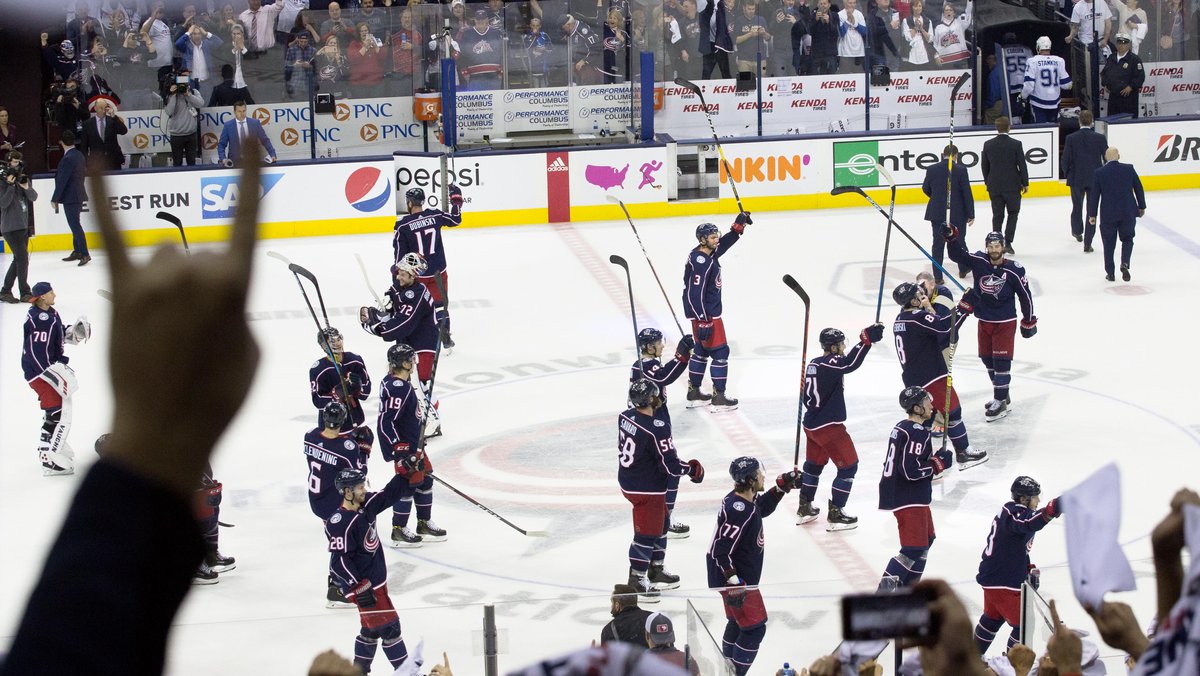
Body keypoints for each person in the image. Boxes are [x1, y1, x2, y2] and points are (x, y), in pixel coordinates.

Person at [0, 141, 264, 675]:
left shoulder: (53, 320)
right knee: (63, 411)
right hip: (52, 382)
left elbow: (69, 641)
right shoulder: (36, 320)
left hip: (125, 479)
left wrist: (143, 452)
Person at [706, 456, 801, 675]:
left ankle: (726, 668)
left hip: (730, 576)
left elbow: (760, 509)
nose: (762, 475)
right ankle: (734, 673)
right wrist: (734, 583)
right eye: (759, 473)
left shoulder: (743, 502)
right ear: (750, 480)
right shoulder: (739, 510)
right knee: (754, 629)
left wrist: (782, 485)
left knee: (737, 622)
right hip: (734, 578)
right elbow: (721, 550)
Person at [325, 467, 419, 674]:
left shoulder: (365, 504)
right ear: (347, 492)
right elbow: (338, 562)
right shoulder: (340, 523)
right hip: (366, 588)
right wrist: (357, 587)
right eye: (359, 487)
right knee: (390, 628)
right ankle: (408, 672)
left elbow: (388, 495)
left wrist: (405, 474)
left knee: (370, 630)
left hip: (375, 582)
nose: (364, 490)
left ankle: (358, 672)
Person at [619, 379, 704, 599]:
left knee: (662, 522)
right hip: (647, 488)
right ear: (649, 399)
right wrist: (692, 470)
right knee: (646, 534)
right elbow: (671, 466)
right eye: (655, 395)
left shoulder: (625, 417)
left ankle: (656, 569)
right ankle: (637, 578)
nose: (660, 398)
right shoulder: (657, 428)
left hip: (629, 480)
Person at [795, 323, 884, 531]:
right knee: (848, 467)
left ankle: (805, 506)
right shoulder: (830, 362)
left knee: (814, 466)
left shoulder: (814, 364)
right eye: (841, 345)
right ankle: (836, 513)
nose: (843, 348)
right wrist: (865, 340)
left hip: (812, 425)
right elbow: (849, 364)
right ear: (832, 348)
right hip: (829, 427)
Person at [891, 281, 987, 466]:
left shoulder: (901, 319)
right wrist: (964, 306)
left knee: (926, 419)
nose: (921, 293)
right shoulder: (917, 317)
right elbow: (945, 328)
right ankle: (963, 452)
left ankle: (921, 459)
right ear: (913, 300)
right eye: (917, 293)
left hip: (915, 376)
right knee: (953, 411)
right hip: (931, 375)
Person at [945, 227, 1036, 421]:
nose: (994, 249)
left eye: (997, 246)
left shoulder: (1014, 269)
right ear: (986, 247)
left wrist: (1028, 320)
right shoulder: (979, 261)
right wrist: (952, 239)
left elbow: (1025, 296)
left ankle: (1000, 400)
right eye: (990, 246)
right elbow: (957, 256)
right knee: (987, 358)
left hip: (1005, 321)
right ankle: (1001, 394)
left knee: (1001, 361)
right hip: (984, 319)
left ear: (1003, 247)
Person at [973, 476, 1063, 656]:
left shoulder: (1012, 512)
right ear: (1023, 499)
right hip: (1004, 582)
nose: (1038, 501)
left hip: (994, 579)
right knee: (1023, 625)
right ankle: (1012, 667)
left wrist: (1026, 568)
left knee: (991, 619)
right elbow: (1031, 522)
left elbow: (1011, 546)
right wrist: (1054, 508)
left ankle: (971, 660)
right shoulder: (1015, 511)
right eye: (1035, 497)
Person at [876, 387, 952, 592]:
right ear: (917, 408)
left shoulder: (903, 427)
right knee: (913, 549)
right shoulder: (916, 432)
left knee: (926, 540)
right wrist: (938, 463)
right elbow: (910, 471)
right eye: (927, 402)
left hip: (908, 496)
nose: (931, 405)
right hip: (909, 497)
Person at [361, 253, 443, 438]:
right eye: (399, 273)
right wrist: (379, 311)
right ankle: (419, 416)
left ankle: (431, 422)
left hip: (423, 345)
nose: (399, 276)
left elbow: (402, 324)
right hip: (409, 344)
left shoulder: (417, 294)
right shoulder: (401, 286)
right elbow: (391, 307)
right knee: (409, 382)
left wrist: (377, 327)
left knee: (420, 383)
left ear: (414, 275)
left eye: (403, 274)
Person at [377, 342, 446, 547]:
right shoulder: (398, 388)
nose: (413, 362)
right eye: (410, 359)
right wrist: (399, 448)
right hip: (405, 447)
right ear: (402, 363)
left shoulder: (399, 383)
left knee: (425, 480)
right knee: (407, 485)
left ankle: (423, 522)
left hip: (414, 443)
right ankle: (398, 528)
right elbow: (385, 422)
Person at [629, 328, 696, 537]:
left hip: (653, 416)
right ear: (649, 346)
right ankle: (665, 519)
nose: (662, 345)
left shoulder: (646, 363)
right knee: (670, 469)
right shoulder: (644, 365)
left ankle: (664, 517)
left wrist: (681, 357)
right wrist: (681, 357)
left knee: (667, 469)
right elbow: (663, 377)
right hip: (650, 421)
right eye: (659, 342)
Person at [682, 213, 751, 410]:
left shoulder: (705, 253)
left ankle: (694, 392)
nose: (716, 239)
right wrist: (704, 319)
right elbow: (695, 294)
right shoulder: (702, 263)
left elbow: (723, 245)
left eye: (716, 235)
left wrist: (737, 229)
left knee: (701, 351)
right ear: (703, 240)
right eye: (712, 237)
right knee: (720, 353)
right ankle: (719, 397)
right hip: (707, 315)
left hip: (702, 314)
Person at [305, 400, 370, 607]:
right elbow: (358, 475)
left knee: (338, 539)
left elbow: (329, 446)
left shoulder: (310, 436)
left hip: (316, 498)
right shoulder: (346, 448)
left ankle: (338, 583)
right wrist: (364, 448)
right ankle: (337, 587)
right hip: (333, 502)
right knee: (341, 544)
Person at [22, 281, 89, 475]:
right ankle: (49, 459)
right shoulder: (42, 319)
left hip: (43, 371)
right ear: (43, 296)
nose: (55, 295)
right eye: (51, 292)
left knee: (55, 410)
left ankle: (48, 447)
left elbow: (55, 335)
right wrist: (49, 374)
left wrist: (72, 331)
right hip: (40, 373)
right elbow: (36, 351)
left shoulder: (49, 314)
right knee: (57, 412)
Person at [392, 186, 464, 349]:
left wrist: (396, 274)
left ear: (409, 203)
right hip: (439, 271)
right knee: (440, 304)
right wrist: (456, 200)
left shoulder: (403, 226)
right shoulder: (435, 215)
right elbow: (455, 219)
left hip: (418, 274)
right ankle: (445, 336)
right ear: (423, 201)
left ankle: (418, 337)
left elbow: (400, 258)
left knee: (418, 306)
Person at [1087, 146, 1146, 283]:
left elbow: (1094, 196)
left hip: (1108, 214)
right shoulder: (1129, 169)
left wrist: (1092, 215)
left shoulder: (1099, 173)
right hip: (1127, 212)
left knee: (1108, 244)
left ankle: (1110, 273)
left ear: (1106, 158)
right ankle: (1125, 263)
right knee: (1127, 239)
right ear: (1119, 156)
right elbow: (1139, 188)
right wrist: (1141, 206)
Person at [920, 144, 974, 284]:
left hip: (937, 212)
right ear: (956, 155)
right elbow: (966, 192)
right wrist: (970, 213)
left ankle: (938, 277)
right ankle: (963, 268)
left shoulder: (932, 169)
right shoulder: (961, 170)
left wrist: (937, 198)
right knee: (959, 241)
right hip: (957, 213)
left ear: (942, 154)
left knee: (938, 244)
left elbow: (926, 188)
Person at [981, 116, 1028, 254]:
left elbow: (984, 166)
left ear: (996, 128)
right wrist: (1025, 183)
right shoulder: (1016, 144)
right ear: (1009, 127)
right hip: (1013, 186)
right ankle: (1008, 242)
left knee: (997, 215)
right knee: (1013, 213)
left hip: (995, 186)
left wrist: (988, 181)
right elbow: (1022, 165)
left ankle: (996, 241)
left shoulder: (988, 144)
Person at [310, 326, 372, 431]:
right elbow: (317, 400)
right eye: (332, 341)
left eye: (338, 339)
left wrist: (358, 387)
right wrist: (337, 395)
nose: (337, 343)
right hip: (330, 426)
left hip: (355, 421)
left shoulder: (355, 360)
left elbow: (365, 394)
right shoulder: (319, 369)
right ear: (323, 345)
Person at [1062, 110, 1107, 247]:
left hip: (1076, 178)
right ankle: (1088, 240)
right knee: (1091, 209)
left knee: (1077, 205)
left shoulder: (1071, 138)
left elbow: (1065, 160)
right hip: (1095, 178)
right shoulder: (1099, 138)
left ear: (1079, 121)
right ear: (1092, 121)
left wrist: (1067, 174)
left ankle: (1077, 231)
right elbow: (1107, 157)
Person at [1, 153, 36, 303]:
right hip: (10, 227)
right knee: (22, 259)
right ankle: (25, 292)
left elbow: (33, 197)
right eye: (14, 162)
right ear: (8, 162)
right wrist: (9, 185)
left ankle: (5, 291)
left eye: (18, 162)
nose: (16, 164)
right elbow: (3, 204)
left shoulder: (23, 179)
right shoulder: (2, 182)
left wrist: (26, 188)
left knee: (19, 259)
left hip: (22, 226)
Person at [51, 130, 91, 266]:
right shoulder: (79, 155)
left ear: (61, 142)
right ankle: (78, 250)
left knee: (75, 225)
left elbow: (62, 180)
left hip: (71, 196)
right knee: (74, 224)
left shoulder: (68, 158)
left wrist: (55, 198)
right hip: (77, 194)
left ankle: (84, 253)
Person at [1019, 36, 1072, 123]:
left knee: (1040, 131)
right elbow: (1067, 85)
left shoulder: (1032, 61)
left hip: (1038, 103)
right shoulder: (1059, 60)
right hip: (1055, 102)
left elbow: (1029, 86)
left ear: (1038, 47)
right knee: (1053, 130)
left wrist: (1022, 97)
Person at [163, 67, 204, 167]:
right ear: (178, 78)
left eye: (187, 77)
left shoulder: (193, 92)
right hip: (176, 135)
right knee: (177, 163)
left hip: (191, 134)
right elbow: (169, 111)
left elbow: (201, 104)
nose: (186, 79)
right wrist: (173, 95)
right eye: (183, 77)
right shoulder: (170, 94)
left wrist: (188, 95)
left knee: (192, 163)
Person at [217, 100, 277, 166]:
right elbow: (221, 145)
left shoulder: (255, 123)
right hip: (234, 163)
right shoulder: (228, 126)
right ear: (235, 112)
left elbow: (265, 140)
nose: (242, 114)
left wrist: (272, 154)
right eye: (239, 111)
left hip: (253, 162)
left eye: (244, 111)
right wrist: (223, 159)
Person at [1101, 33, 1145, 118]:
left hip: (1128, 98)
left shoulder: (1134, 59)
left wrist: (1131, 87)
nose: (1121, 45)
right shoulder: (1111, 57)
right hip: (1114, 97)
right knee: (1112, 120)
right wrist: (1105, 84)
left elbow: (1140, 76)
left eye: (1124, 43)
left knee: (1127, 121)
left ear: (1128, 45)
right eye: (1119, 43)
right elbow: (1104, 72)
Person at [460, 9, 506, 90]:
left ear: (487, 20)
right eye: (478, 19)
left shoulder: (496, 33)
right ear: (474, 20)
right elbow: (462, 54)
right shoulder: (467, 34)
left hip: (494, 75)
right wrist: (464, 71)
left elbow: (502, 52)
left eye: (483, 19)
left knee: (495, 100)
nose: (480, 21)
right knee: (477, 100)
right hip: (474, 76)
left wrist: (501, 69)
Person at [79, 97, 128, 170]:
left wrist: (114, 116)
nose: (103, 110)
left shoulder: (113, 120)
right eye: (100, 108)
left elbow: (123, 131)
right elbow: (84, 147)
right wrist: (85, 164)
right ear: (95, 108)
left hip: (113, 162)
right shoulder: (87, 124)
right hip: (96, 163)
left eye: (105, 108)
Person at [559, 13, 603, 86]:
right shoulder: (569, 31)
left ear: (569, 25)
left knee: (586, 81)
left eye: (563, 27)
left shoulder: (583, 30)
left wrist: (584, 60)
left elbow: (596, 48)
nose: (563, 30)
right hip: (576, 64)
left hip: (591, 64)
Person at [696, 0, 734, 79]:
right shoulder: (706, 12)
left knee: (726, 73)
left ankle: (728, 90)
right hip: (709, 47)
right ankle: (704, 90)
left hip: (721, 46)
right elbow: (710, 6)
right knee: (706, 74)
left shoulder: (723, 10)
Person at [930, 0, 970, 67]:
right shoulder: (938, 27)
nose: (948, 12)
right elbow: (934, 44)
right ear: (943, 13)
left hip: (960, 60)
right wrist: (936, 56)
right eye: (946, 10)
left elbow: (969, 13)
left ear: (954, 12)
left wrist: (970, 2)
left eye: (950, 10)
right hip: (944, 61)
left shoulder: (959, 23)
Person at [836, 0, 867, 72]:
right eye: (850, 3)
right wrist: (847, 21)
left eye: (854, 3)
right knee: (845, 74)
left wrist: (854, 23)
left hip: (859, 51)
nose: (852, 5)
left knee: (859, 75)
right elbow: (841, 33)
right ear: (845, 3)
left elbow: (864, 32)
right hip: (845, 52)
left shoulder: (859, 14)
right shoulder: (840, 14)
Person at [900, 0, 932, 66]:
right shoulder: (906, 21)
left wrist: (921, 29)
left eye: (919, 6)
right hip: (911, 56)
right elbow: (908, 38)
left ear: (922, 7)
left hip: (925, 56)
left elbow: (930, 39)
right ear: (912, 7)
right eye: (915, 6)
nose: (918, 8)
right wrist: (916, 27)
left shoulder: (928, 21)